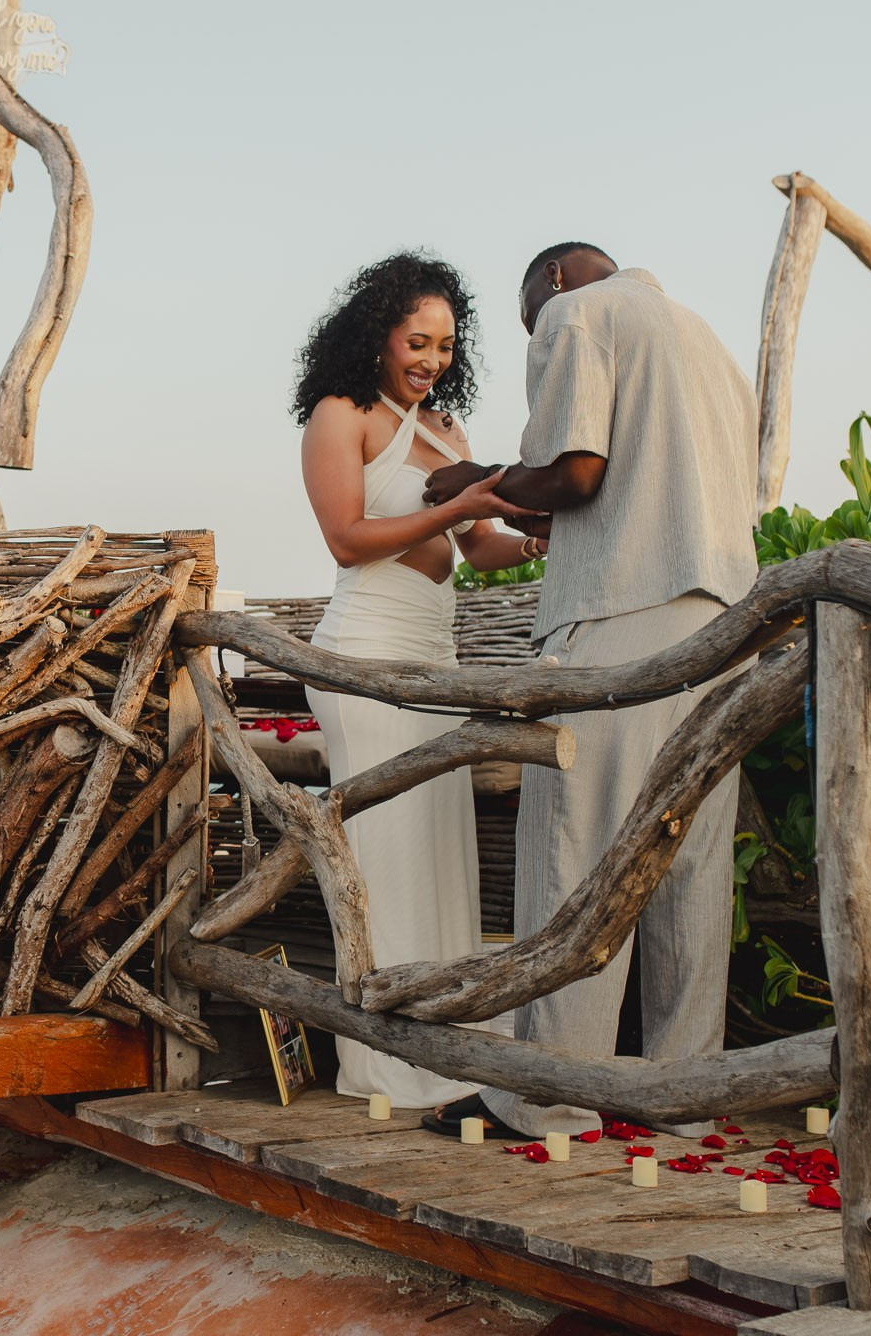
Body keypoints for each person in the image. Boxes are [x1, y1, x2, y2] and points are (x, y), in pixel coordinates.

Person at [421, 242, 759, 1140]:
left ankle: (546, 1097)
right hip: (725, 625)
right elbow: (587, 495)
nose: (534, 334)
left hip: (621, 613)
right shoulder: (708, 345)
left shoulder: (580, 312)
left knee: (577, 853)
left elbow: (576, 472)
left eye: (527, 315)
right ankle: (686, 1101)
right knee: (689, 862)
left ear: (556, 280)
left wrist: (474, 481)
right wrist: (506, 496)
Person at [293, 251, 547, 1108]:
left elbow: (475, 552)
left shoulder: (450, 432)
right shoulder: (342, 414)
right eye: (417, 340)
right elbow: (349, 538)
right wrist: (459, 506)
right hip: (363, 655)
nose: (431, 359)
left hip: (436, 661)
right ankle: (385, 1058)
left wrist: (538, 539)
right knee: (385, 855)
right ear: (378, 334)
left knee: (441, 846)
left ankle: (445, 1033)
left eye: (445, 344)